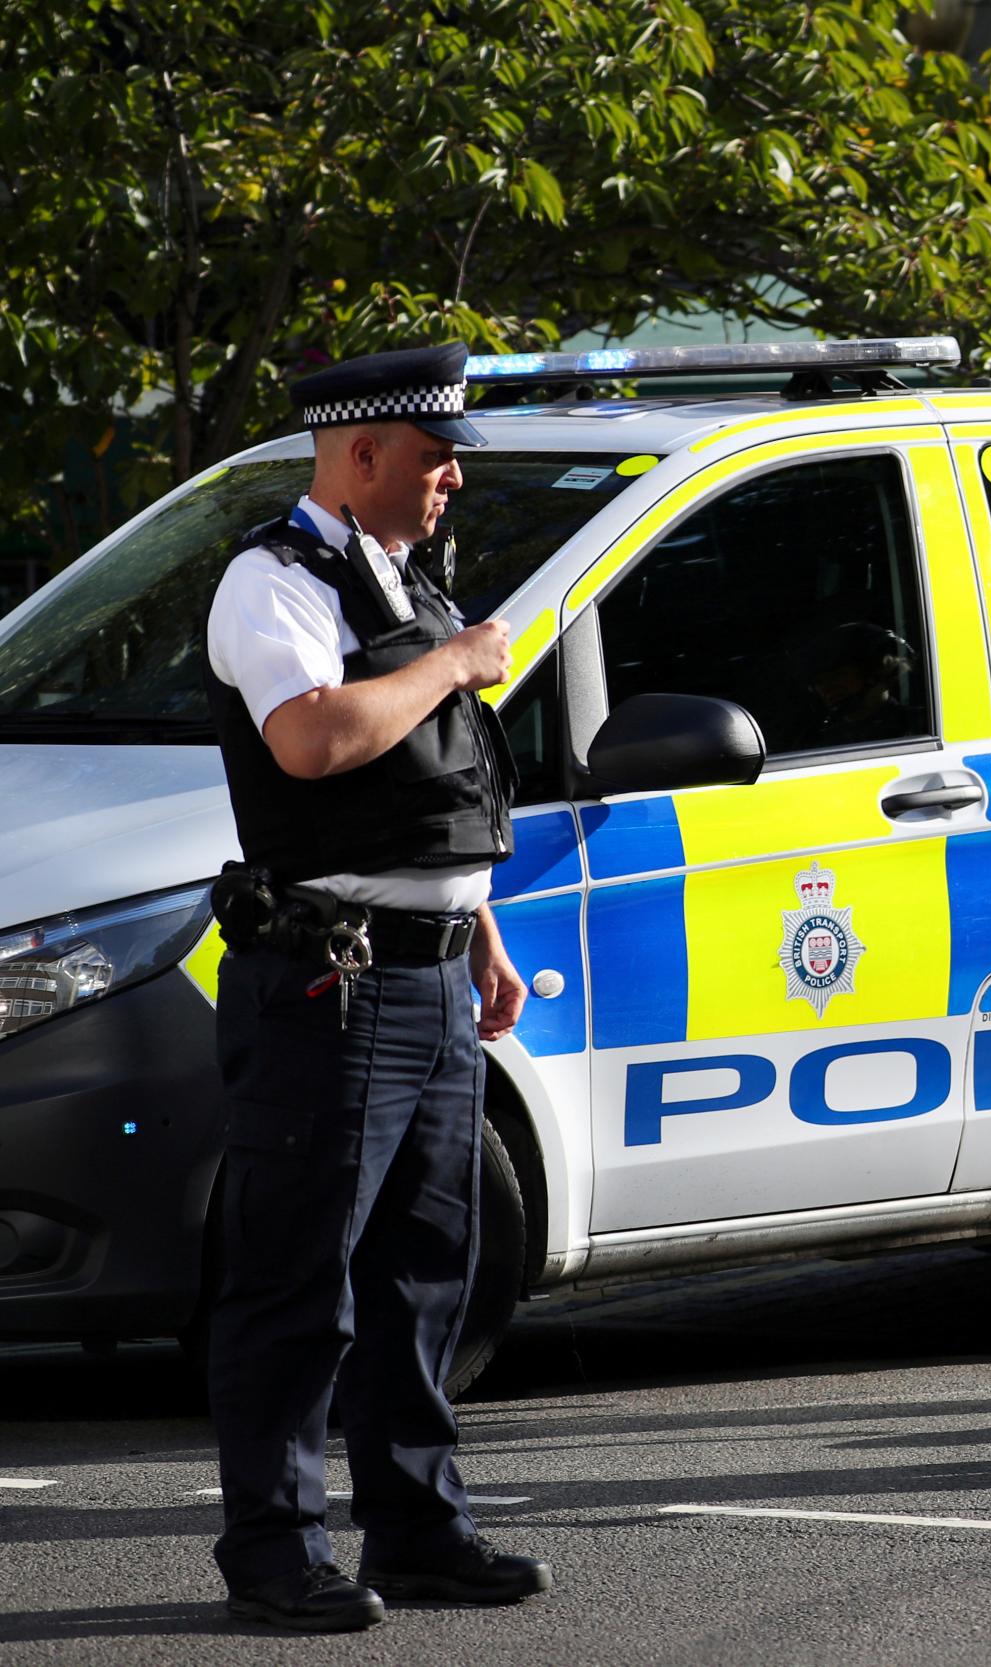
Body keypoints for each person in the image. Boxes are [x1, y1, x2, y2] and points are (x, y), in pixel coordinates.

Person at [200, 343, 551, 1629]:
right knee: (299, 1283)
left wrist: (484, 933)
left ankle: (418, 1529)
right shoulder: (272, 581)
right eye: (435, 453)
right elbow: (315, 738)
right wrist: (455, 661)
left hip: (429, 975)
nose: (454, 475)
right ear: (362, 456)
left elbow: (435, 794)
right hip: (328, 985)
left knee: (423, 1277)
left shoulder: (401, 575)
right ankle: (277, 1549)